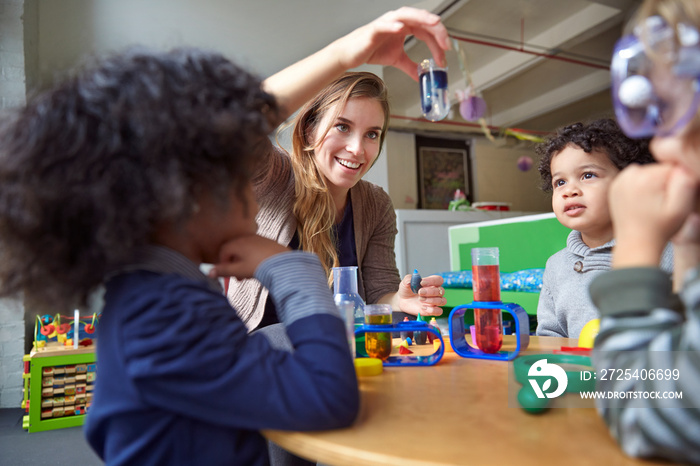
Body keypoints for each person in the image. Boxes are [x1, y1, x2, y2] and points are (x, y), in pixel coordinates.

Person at [0, 8, 451, 465]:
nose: (253, 197)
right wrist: (292, 267)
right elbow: (330, 395)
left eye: (372, 134)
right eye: (233, 174)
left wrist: (397, 299)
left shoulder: (159, 296)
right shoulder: (166, 315)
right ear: (185, 188)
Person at [219, 69, 448, 333]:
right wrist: (342, 57)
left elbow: (378, 293)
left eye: (372, 134)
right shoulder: (275, 175)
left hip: (336, 348)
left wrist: (400, 299)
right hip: (261, 350)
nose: (357, 149)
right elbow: (236, 122)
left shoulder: (376, 203)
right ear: (309, 130)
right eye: (342, 127)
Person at [588, 0, 700, 461]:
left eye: (679, 110)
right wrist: (691, 241)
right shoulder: (559, 262)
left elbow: (646, 409)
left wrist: (635, 244)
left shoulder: (641, 242)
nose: (662, 142)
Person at [534, 119, 673, 339]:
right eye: (559, 182)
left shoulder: (663, 254)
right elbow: (550, 336)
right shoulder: (556, 266)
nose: (569, 190)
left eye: (588, 175)